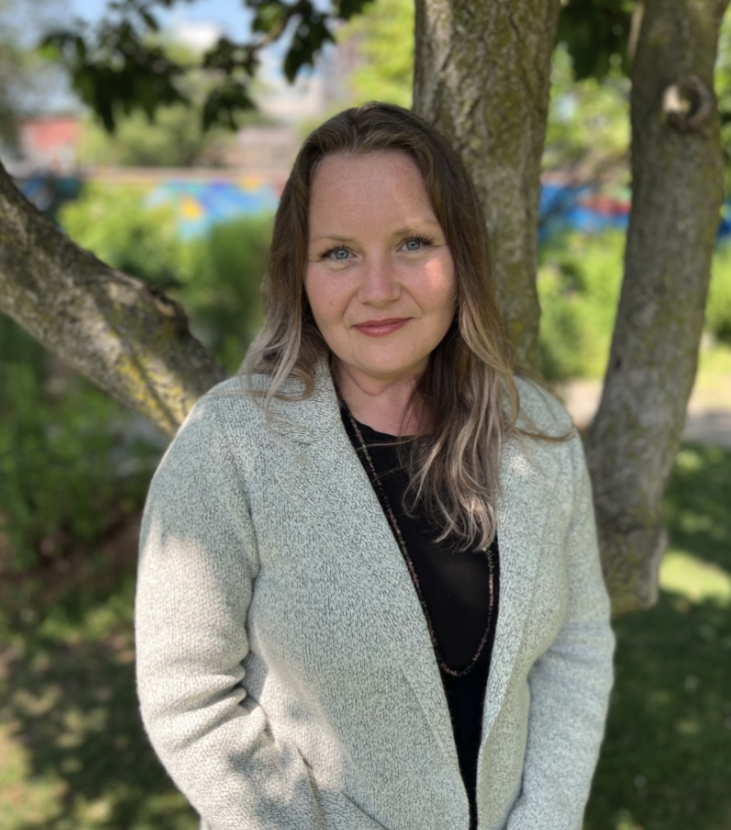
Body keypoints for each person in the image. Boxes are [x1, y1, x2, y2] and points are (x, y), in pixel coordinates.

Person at [135, 101, 615, 830]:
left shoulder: (537, 434)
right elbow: (189, 697)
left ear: (461, 257)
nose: (379, 288)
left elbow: (576, 647)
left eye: (413, 243)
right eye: (339, 253)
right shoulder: (230, 445)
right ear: (298, 273)